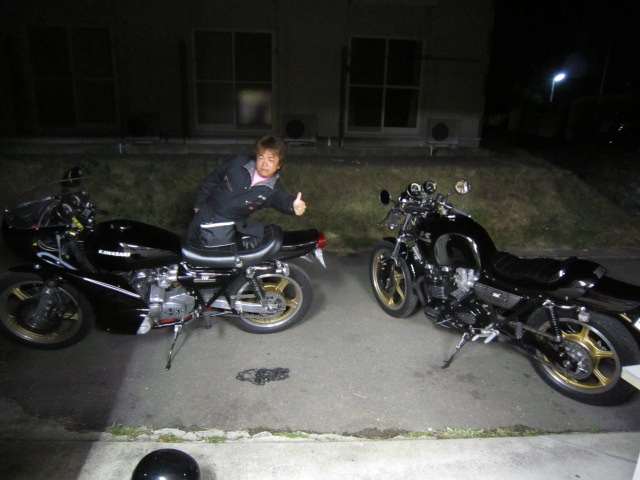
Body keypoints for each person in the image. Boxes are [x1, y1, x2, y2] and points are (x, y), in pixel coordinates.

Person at [188, 134, 306, 248]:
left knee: (212, 257)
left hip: (225, 227)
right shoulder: (238, 163)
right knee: (188, 249)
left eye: (271, 160)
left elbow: (283, 199)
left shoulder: (272, 189)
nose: (264, 164)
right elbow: (213, 179)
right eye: (261, 157)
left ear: (279, 164)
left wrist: (293, 206)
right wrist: (199, 204)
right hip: (205, 212)